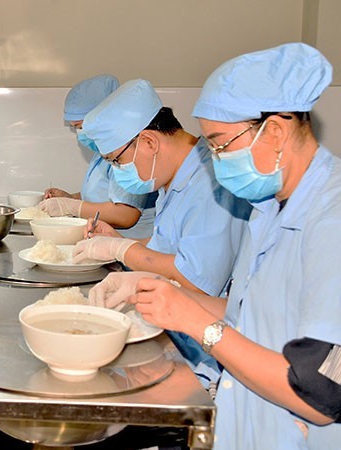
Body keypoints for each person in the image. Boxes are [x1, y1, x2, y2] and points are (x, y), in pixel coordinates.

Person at [121, 43, 340, 449]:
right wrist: (156, 294)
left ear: (274, 131)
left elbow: (322, 392)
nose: (214, 159)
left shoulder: (332, 219)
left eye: (220, 144)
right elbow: (250, 314)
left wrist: (196, 323)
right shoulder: (270, 208)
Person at [76, 79, 251, 387]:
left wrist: (122, 252)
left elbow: (196, 279)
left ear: (149, 142)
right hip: (177, 334)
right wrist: (119, 242)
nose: (118, 171)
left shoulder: (211, 184)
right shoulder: (173, 177)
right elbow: (168, 248)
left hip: (210, 357)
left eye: (117, 161)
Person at [39, 75, 155, 239]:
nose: (80, 133)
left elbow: (125, 214)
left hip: (132, 247)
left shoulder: (125, 152)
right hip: (110, 245)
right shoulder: (102, 151)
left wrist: (72, 207)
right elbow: (104, 192)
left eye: (81, 126)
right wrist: (71, 198)